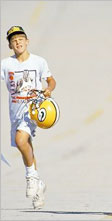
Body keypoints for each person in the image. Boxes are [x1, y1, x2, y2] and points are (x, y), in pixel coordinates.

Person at [1, 26, 56, 208]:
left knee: (20, 139)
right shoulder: (6, 64)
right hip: (15, 113)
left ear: (27, 41)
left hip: (32, 111)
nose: (18, 43)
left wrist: (48, 90)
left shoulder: (38, 62)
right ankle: (38, 186)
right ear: (10, 45)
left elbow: (51, 80)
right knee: (26, 146)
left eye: (21, 39)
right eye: (14, 41)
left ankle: (31, 177)